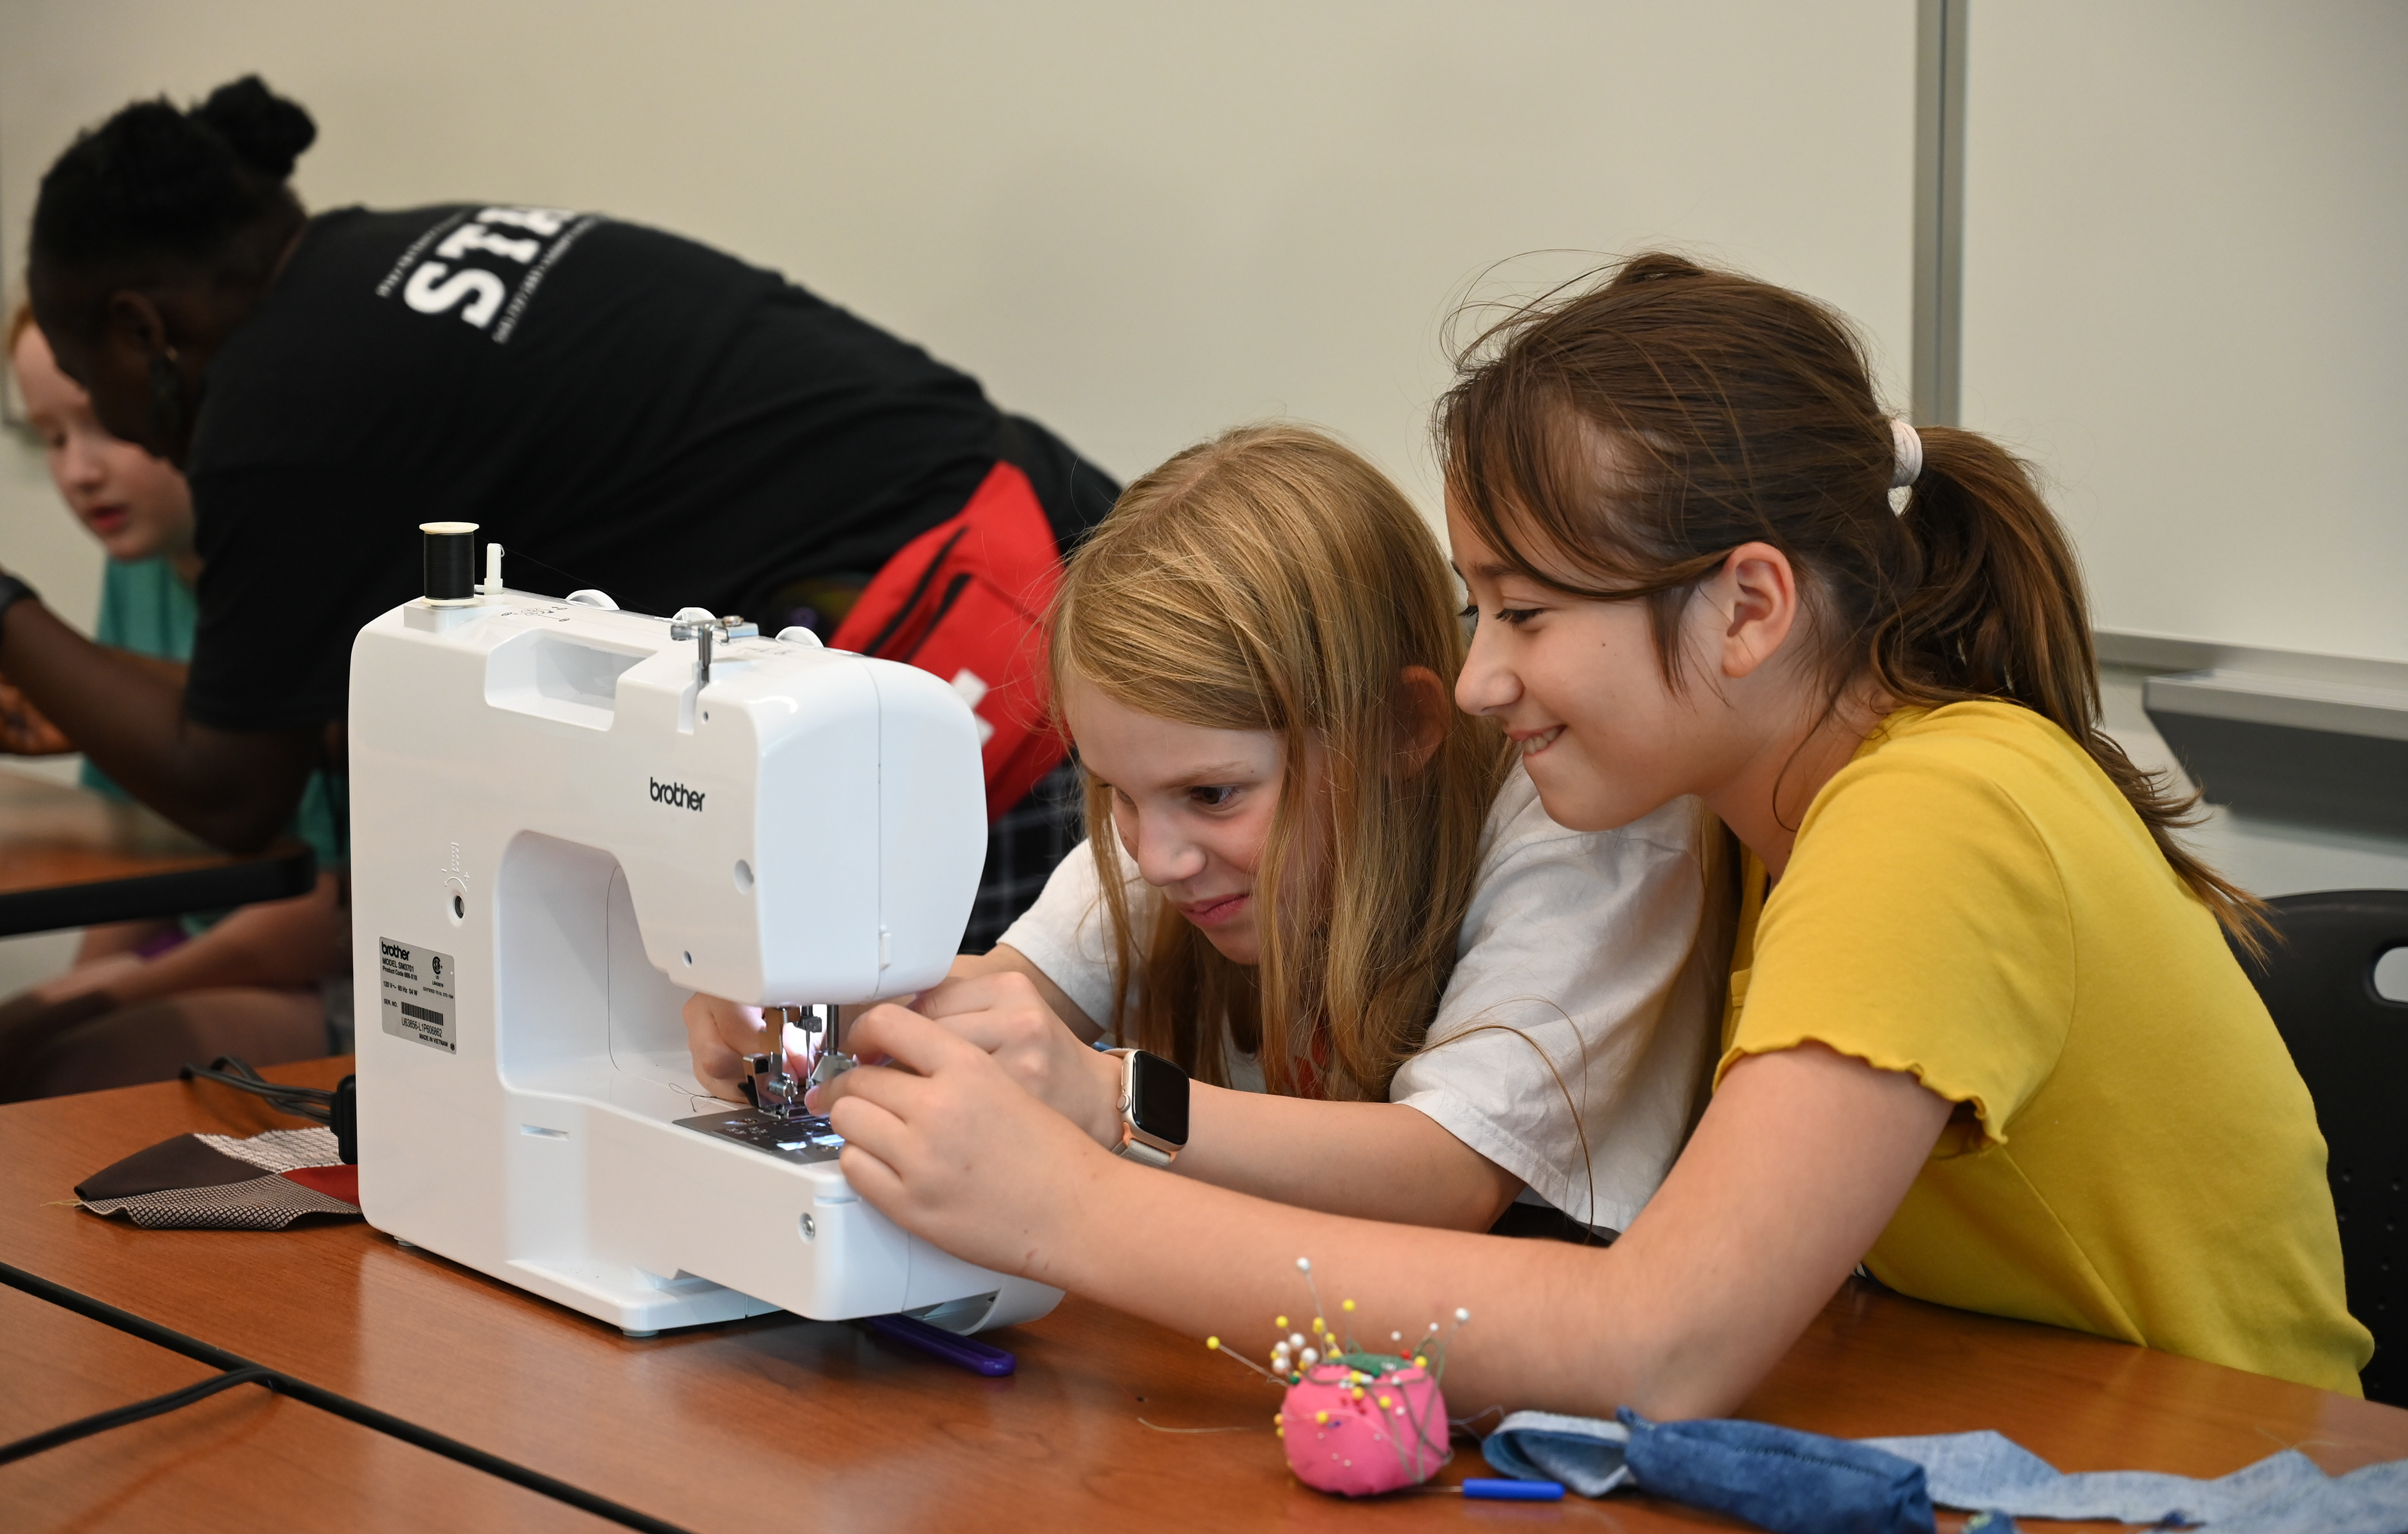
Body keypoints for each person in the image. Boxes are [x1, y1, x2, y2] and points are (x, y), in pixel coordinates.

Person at [785, 255, 2368, 1409]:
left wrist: (1072, 1204)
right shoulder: (1748, 810)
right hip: (2000, 1435)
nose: (1482, 680)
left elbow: (1654, 1342)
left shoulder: (1931, 820)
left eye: (1526, 614)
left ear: (1748, 607)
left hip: (2227, 1508)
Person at [0, 75, 1117, 951]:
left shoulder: (278, 402)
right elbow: (274, 717)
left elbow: (232, 790)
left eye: (86, 377)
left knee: (948, 1112)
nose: (111, 427)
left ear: (141, 331)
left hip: (969, 633)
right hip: (1054, 555)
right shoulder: (364, 275)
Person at [689, 425, 1722, 1236]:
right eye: (1115, 794)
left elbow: (1447, 1172)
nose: (1155, 856)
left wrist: (1113, 1097)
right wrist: (804, 1036)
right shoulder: (1172, 811)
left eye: (1217, 795)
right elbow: (998, 999)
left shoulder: (1589, 839)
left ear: (1401, 729)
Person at [0, 307, 349, 1110]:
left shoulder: (308, 578)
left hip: (329, 978)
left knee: (59, 1078)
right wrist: (75, 986)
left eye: (105, 423)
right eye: (52, 437)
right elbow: (140, 841)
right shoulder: (136, 567)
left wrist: (104, 993)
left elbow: (326, 915)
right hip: (195, 945)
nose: (79, 472)